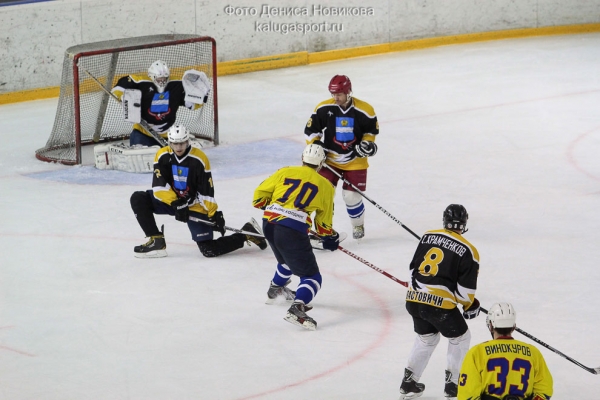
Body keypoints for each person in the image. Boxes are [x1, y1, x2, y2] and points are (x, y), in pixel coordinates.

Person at [130, 124, 267, 258]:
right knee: (139, 198)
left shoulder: (199, 159)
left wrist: (213, 214)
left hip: (194, 206)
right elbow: (159, 186)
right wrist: (176, 203)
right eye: (175, 144)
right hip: (172, 202)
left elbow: (206, 190)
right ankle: (156, 240)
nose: (178, 147)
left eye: (182, 143)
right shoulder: (162, 155)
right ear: (170, 142)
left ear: (187, 141)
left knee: (208, 250)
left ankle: (246, 233)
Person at [252, 143, 340, 331]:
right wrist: (329, 238)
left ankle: (275, 289)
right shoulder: (326, 185)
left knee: (286, 260)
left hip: (269, 223)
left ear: (302, 159)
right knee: (312, 277)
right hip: (291, 230)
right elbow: (323, 226)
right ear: (321, 164)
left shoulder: (285, 171)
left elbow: (258, 198)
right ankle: (297, 308)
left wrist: (275, 207)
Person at [399, 204, 481, 399]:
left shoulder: (427, 236)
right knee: (460, 338)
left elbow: (412, 269)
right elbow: (465, 293)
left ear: (444, 220)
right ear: (464, 223)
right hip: (438, 306)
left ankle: (409, 382)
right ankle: (453, 385)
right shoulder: (469, 250)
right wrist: (470, 305)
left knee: (426, 338)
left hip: (414, 299)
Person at [304, 74, 379, 240]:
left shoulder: (365, 110)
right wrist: (316, 145)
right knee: (321, 195)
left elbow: (370, 132)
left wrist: (367, 144)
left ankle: (357, 224)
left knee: (351, 197)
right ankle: (321, 229)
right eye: (333, 94)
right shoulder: (324, 108)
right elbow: (311, 131)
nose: (335, 97)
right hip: (329, 161)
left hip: (355, 161)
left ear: (348, 92)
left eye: (338, 94)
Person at [458, 303, 554, 400]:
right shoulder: (533, 352)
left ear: (491, 326)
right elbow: (545, 389)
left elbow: (467, 395)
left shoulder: (477, 352)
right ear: (513, 327)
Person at [112, 60, 208, 146]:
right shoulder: (141, 82)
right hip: (142, 132)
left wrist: (201, 97)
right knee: (140, 155)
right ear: (152, 76)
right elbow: (118, 87)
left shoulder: (176, 85)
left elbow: (191, 105)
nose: (162, 82)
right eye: (159, 79)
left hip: (168, 134)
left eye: (164, 79)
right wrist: (124, 97)